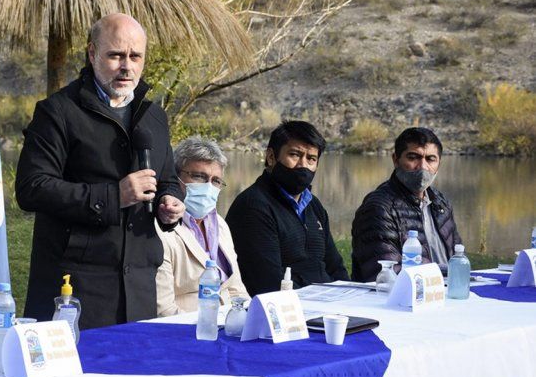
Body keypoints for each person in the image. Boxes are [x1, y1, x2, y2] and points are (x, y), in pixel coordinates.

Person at [15, 13, 185, 329]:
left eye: (135, 56)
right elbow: (31, 187)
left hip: (140, 283)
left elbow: (168, 179)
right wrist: (113, 196)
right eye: (115, 55)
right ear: (92, 53)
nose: (127, 66)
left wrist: (171, 201)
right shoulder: (57, 112)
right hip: (78, 285)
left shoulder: (154, 116)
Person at [225, 121, 349, 294]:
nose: (303, 165)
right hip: (288, 311)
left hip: (328, 306)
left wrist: (349, 298)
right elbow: (269, 283)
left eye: (311, 159)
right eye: (294, 154)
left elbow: (336, 269)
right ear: (271, 157)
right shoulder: (253, 207)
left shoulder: (314, 206)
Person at [351, 127, 462, 282]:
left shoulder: (441, 203)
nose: (423, 167)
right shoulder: (379, 208)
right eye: (413, 157)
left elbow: (458, 258)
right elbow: (387, 276)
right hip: (405, 299)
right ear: (396, 160)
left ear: (439, 163)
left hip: (448, 293)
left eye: (430, 159)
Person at [155, 137, 250, 317]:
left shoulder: (220, 225)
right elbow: (164, 310)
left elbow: (237, 290)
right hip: (186, 331)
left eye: (216, 181)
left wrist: (250, 318)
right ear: (174, 178)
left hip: (228, 326)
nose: (208, 187)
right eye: (199, 176)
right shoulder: (160, 228)